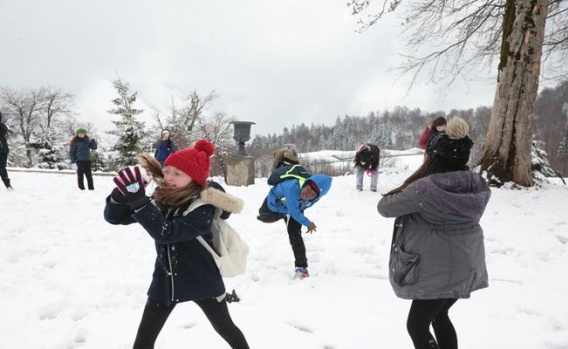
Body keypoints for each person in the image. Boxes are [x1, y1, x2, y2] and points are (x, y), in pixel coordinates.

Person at [103, 139, 250, 349]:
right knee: (144, 339)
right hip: (166, 280)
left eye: (177, 174)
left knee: (225, 328)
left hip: (203, 280)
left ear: (194, 179)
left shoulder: (203, 207)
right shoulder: (162, 198)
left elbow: (167, 232)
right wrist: (120, 197)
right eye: (167, 170)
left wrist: (139, 202)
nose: (168, 177)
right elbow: (116, 218)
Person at [377, 117, 490, 349]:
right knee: (439, 316)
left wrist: (414, 180)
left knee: (416, 326)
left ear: (434, 159)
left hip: (438, 271)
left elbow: (385, 207)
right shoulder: (477, 185)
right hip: (467, 264)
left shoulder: (424, 189)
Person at [257, 166, 332, 279]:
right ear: (305, 183)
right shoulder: (293, 187)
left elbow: (297, 209)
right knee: (263, 216)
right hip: (274, 206)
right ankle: (283, 214)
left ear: (317, 197)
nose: (308, 194)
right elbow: (294, 212)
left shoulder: (314, 198)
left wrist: (294, 213)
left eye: (312, 194)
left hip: (292, 209)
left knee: (295, 235)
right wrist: (308, 223)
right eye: (308, 189)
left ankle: (301, 268)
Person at [0, 112, 13, 191]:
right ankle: (8, 185)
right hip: (3, 150)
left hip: (2, 150)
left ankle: (8, 186)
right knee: (2, 169)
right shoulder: (3, 126)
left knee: (1, 168)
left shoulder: (2, 127)